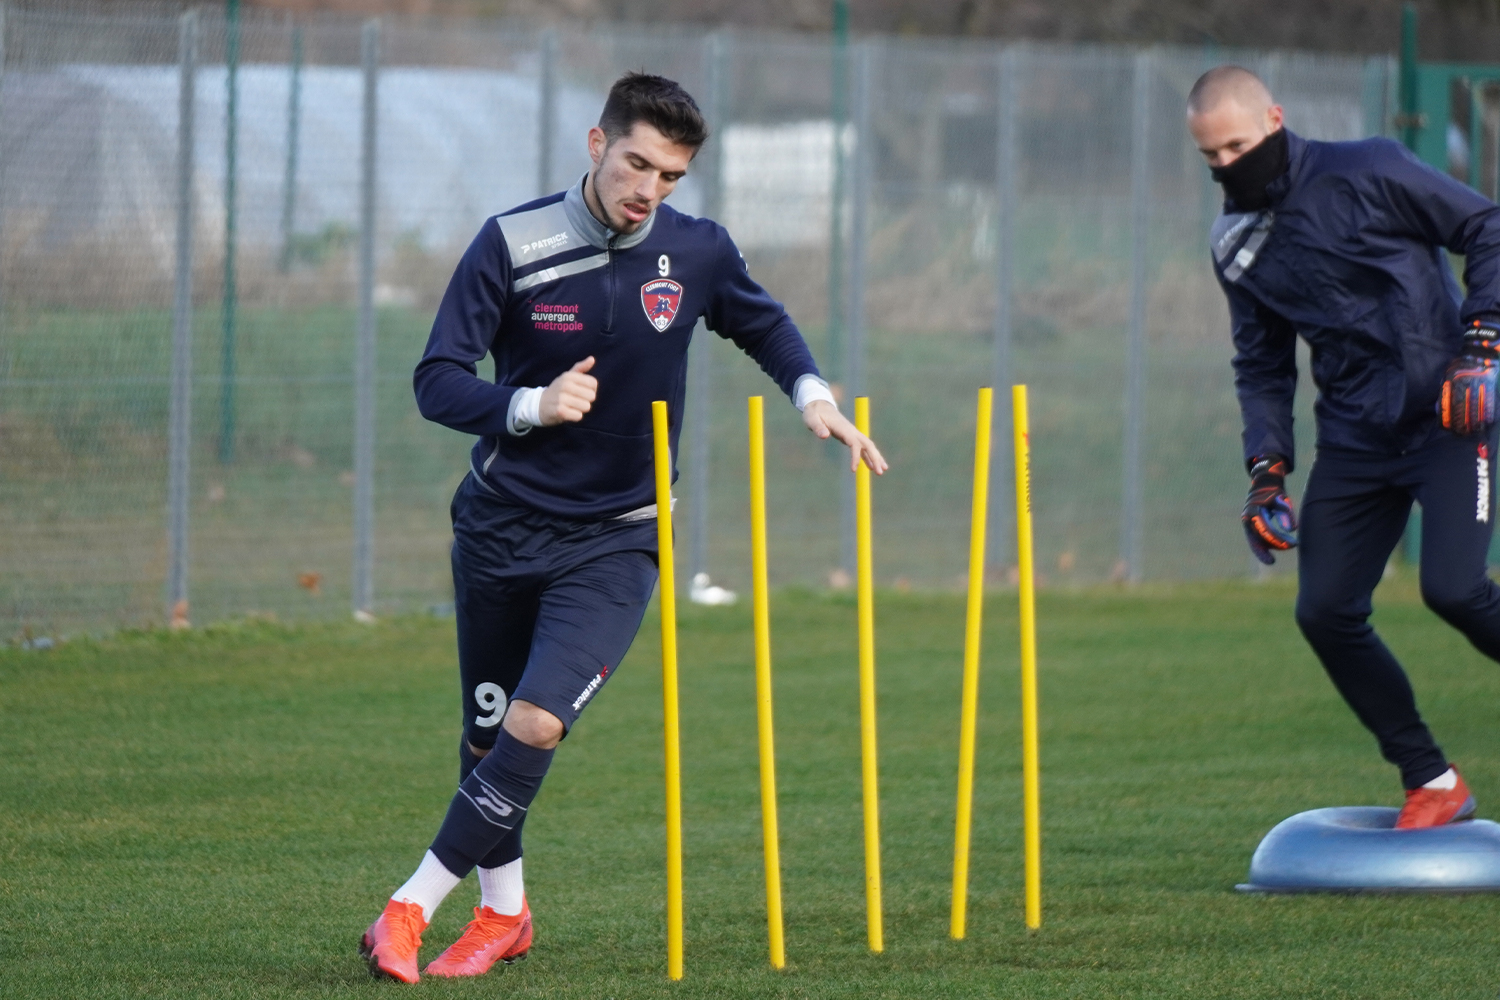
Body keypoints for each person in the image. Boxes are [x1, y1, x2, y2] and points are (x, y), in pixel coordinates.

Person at [357, 72, 887, 982]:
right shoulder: (512, 243)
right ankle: (505, 917)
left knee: (535, 723)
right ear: (598, 145)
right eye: (638, 162)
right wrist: (529, 403)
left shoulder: (699, 252)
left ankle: (409, 906)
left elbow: (765, 327)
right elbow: (436, 379)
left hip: (619, 536)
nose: (650, 188)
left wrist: (814, 395)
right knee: (486, 737)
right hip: (499, 527)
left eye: (672, 175)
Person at [1186, 65, 1500, 830]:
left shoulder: (1373, 168)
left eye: (1237, 146)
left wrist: (1484, 343)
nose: (1228, 165)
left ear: (1275, 121)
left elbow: (1486, 227)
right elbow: (1260, 365)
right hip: (1356, 439)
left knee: (1454, 591)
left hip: (1451, 419)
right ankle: (1431, 778)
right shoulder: (1237, 246)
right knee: (1324, 610)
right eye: (1211, 157)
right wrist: (1266, 472)